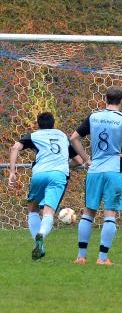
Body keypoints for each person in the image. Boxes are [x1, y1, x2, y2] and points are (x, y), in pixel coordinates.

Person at [70, 85, 122, 266]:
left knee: (89, 212)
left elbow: (73, 138)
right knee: (110, 213)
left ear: (106, 99)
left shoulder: (94, 117)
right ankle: (102, 258)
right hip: (113, 171)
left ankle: (81, 257)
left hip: (94, 170)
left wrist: (86, 158)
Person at [8, 111, 82, 260]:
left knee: (33, 209)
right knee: (48, 212)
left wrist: (12, 172)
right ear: (54, 124)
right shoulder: (62, 136)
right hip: (58, 175)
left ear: (38, 124)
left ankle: (38, 242)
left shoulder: (34, 135)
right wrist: (64, 165)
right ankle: (41, 234)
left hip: (39, 174)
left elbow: (15, 148)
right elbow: (79, 161)